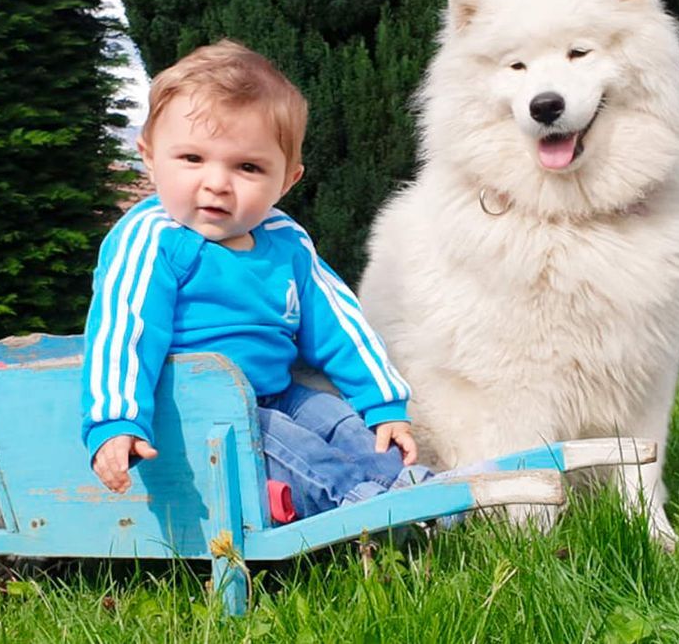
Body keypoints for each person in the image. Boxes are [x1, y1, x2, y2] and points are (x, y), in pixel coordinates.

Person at [80, 40, 425, 519]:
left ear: (287, 180)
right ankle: (356, 503)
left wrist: (384, 403)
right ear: (150, 157)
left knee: (335, 419)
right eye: (192, 159)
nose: (217, 182)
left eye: (248, 167)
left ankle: (407, 484)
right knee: (281, 440)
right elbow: (124, 330)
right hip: (198, 406)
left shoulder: (285, 240)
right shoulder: (153, 238)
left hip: (278, 391)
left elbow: (339, 324)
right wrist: (117, 419)